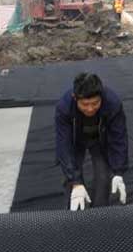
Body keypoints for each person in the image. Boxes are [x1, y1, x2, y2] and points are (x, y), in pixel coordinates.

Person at [55, 73, 129, 211]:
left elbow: (118, 138)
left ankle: (99, 215)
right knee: (72, 184)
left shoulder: (113, 103)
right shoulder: (64, 107)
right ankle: (74, 214)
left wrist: (118, 171)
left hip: (99, 139)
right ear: (75, 98)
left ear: (102, 97)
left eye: (95, 103)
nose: (90, 109)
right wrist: (75, 182)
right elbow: (64, 145)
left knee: (103, 178)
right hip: (75, 140)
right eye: (85, 104)